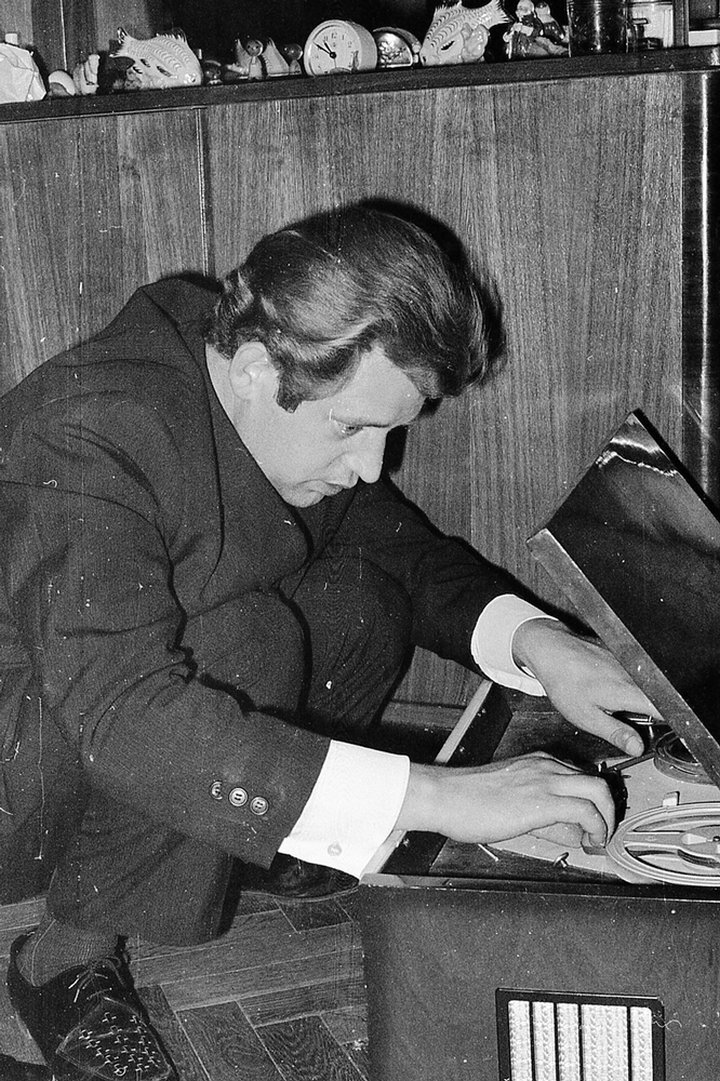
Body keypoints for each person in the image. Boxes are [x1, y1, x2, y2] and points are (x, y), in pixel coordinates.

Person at [0, 203, 658, 1081]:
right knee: (246, 641)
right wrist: (437, 797)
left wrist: (538, 639)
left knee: (363, 600)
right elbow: (127, 718)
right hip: (25, 766)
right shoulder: (86, 431)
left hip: (94, 724)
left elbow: (393, 542)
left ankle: (266, 840)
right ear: (255, 370)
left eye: (391, 430)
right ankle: (63, 959)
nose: (373, 465)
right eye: (352, 428)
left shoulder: (252, 358)